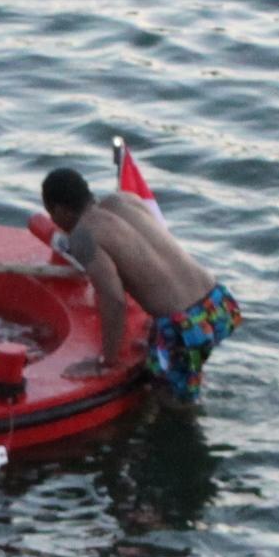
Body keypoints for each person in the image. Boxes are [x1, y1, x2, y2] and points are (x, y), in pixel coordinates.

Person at [41, 169, 239, 409]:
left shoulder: (82, 236)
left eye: (51, 214)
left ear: (60, 210)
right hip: (218, 302)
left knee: (172, 404)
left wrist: (106, 361)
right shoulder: (125, 199)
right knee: (179, 374)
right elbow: (147, 260)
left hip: (184, 326)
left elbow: (113, 298)